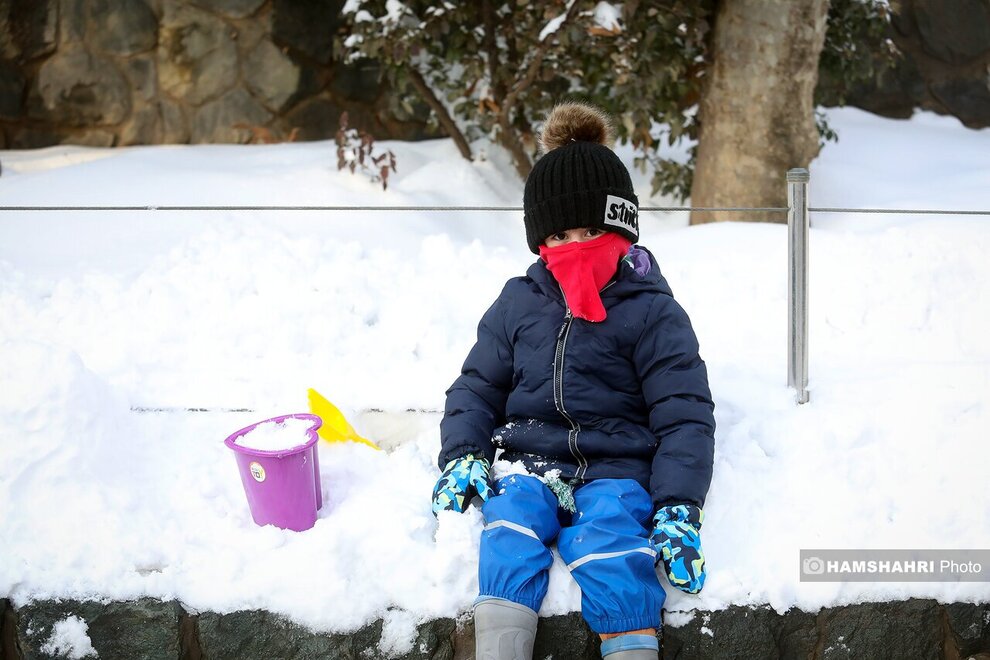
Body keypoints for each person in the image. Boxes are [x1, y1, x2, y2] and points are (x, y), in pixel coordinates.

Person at [432, 102, 715, 660]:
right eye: (559, 236)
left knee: (611, 543)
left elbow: (684, 412)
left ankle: (632, 646)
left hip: (616, 466)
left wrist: (678, 505)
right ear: (539, 241)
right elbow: (476, 386)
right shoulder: (519, 302)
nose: (575, 248)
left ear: (622, 230)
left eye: (590, 232)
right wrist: (463, 452)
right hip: (527, 459)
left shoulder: (652, 313)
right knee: (508, 528)